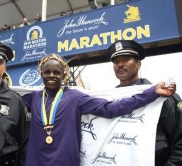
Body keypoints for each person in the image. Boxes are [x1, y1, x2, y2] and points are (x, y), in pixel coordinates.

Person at [21, 53, 176, 166]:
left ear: (64, 75)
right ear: (41, 74)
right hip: (35, 161)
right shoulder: (32, 98)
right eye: (47, 72)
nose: (51, 75)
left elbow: (110, 109)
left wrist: (151, 93)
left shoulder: (75, 97)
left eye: (56, 72)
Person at [107, 40, 182, 166]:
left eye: (126, 59)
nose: (120, 64)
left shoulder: (164, 96)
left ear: (138, 64)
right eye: (116, 61)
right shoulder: (109, 100)